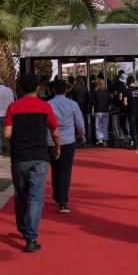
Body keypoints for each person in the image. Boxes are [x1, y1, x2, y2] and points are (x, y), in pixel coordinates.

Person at [4, 72, 60, 252]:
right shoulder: (45, 107)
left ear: (20, 89)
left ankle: (22, 227)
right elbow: (55, 131)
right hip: (40, 158)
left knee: (21, 195)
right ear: (38, 88)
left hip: (19, 158)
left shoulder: (13, 107)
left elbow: (7, 134)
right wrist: (57, 147)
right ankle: (31, 238)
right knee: (36, 198)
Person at [47, 79, 85, 213]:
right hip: (68, 141)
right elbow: (80, 123)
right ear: (67, 90)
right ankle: (63, 201)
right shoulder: (72, 104)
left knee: (55, 169)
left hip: (51, 141)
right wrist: (81, 134)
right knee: (65, 171)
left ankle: (57, 194)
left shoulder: (48, 104)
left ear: (53, 90)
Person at [123, 75, 138, 148]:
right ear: (134, 82)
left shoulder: (127, 90)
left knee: (132, 127)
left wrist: (126, 108)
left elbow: (125, 102)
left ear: (128, 82)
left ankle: (135, 143)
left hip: (131, 111)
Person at [69, 75, 92, 145]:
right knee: (84, 121)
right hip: (84, 107)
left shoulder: (75, 88)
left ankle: (77, 137)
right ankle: (85, 136)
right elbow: (89, 97)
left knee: (76, 122)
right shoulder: (85, 88)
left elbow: (68, 94)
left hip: (77, 106)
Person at [92, 77, 110, 146]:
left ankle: (100, 139)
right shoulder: (106, 91)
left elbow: (93, 102)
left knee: (98, 125)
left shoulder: (95, 92)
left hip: (98, 110)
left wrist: (93, 111)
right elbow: (110, 100)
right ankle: (105, 138)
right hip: (105, 110)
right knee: (105, 125)